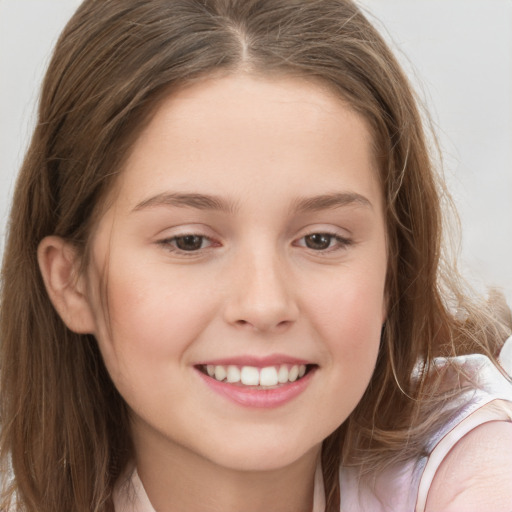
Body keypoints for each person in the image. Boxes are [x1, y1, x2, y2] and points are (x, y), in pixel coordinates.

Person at [1, 1, 511, 511]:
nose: (265, 304)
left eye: (320, 239)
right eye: (189, 241)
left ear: (392, 271)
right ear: (73, 283)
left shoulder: (476, 471)